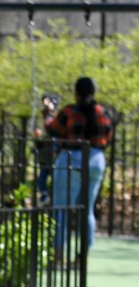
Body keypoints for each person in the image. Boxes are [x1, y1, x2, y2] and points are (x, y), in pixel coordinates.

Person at [43, 77, 114, 249]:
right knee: (86, 209)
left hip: (72, 157)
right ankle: (84, 255)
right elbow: (109, 137)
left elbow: (52, 129)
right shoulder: (104, 113)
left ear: (76, 93)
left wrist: (48, 112)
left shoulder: (70, 111)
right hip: (97, 159)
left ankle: (58, 251)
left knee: (61, 208)